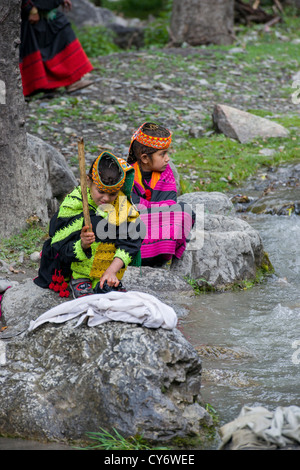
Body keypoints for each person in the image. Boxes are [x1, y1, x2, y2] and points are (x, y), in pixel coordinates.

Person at [34, 151, 143, 298]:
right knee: (98, 223)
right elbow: (58, 244)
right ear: (88, 181)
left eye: (112, 194)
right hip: (74, 263)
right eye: (101, 192)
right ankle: (78, 278)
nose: (106, 198)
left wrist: (111, 271)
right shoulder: (73, 204)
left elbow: (131, 240)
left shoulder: (122, 205)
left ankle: (103, 278)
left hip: (107, 267)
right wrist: (82, 245)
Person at [127, 122, 195, 267]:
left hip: (156, 221)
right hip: (137, 232)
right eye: (162, 154)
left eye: (167, 153)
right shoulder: (127, 176)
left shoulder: (166, 173)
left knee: (186, 211)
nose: (167, 158)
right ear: (145, 158)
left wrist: (147, 208)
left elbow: (170, 205)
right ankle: (144, 256)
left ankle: (162, 255)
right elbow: (128, 206)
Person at [19, 0, 93, 97]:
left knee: (63, 31)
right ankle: (43, 86)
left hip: (47, 12)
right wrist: (29, 8)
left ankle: (72, 80)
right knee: (36, 47)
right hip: (32, 12)